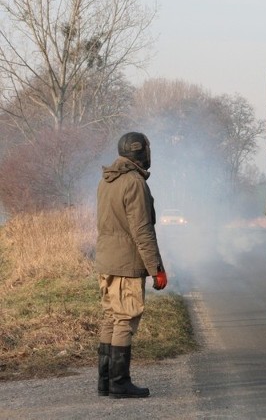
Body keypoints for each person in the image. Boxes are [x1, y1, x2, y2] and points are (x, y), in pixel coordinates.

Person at [96, 132, 167, 399]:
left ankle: (105, 383)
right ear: (140, 153)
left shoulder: (107, 181)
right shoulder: (134, 183)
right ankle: (120, 383)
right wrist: (156, 268)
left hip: (106, 260)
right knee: (125, 317)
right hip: (126, 262)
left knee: (111, 317)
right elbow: (142, 231)